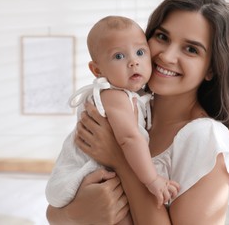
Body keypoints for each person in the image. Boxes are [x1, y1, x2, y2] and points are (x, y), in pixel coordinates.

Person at [46, 0, 229, 225]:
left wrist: (120, 160)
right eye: (162, 37)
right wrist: (76, 212)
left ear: (212, 68)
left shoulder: (206, 140)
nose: (166, 55)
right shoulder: (126, 110)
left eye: (191, 49)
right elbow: (54, 210)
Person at [45, 16, 180, 217]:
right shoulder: (113, 95)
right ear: (97, 70)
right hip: (88, 172)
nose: (133, 62)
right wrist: (153, 180)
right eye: (119, 56)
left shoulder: (134, 97)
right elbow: (129, 139)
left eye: (140, 52)